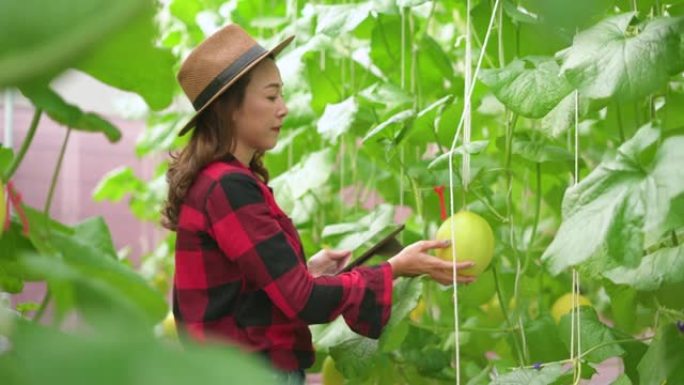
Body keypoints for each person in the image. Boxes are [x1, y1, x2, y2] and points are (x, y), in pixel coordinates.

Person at [161, 24, 477, 385]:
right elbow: (302, 300)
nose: (283, 108)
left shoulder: (223, 182)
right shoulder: (227, 187)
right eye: (271, 96)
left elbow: (249, 292)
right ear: (230, 108)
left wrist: (308, 270)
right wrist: (393, 269)